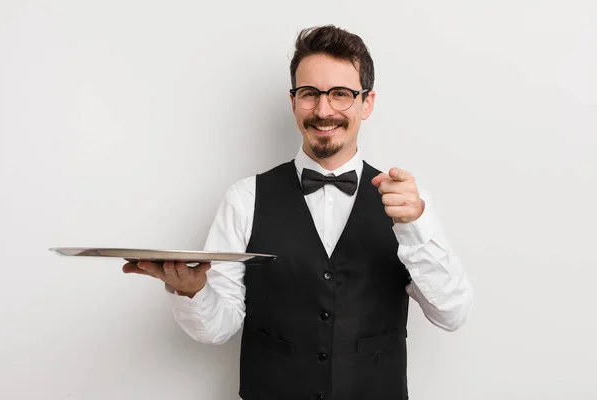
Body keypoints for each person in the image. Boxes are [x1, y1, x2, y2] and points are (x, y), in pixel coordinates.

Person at [123, 25, 473, 400]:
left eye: (341, 94)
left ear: (366, 103)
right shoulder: (245, 198)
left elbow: (451, 314)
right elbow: (217, 328)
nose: (324, 111)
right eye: (310, 94)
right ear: (293, 101)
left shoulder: (408, 203)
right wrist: (191, 291)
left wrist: (415, 225)